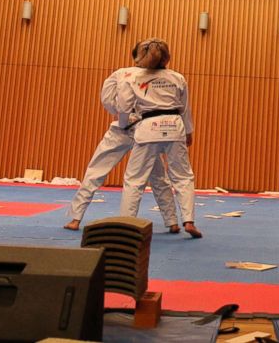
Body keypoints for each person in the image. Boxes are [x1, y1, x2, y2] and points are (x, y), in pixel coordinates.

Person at [64, 41, 187, 234]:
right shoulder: (149, 75)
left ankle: (75, 218)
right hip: (136, 130)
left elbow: (107, 100)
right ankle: (171, 222)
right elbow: (109, 100)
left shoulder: (126, 74)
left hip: (136, 131)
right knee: (156, 178)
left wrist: (125, 116)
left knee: (98, 171)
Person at [116, 38, 201, 238]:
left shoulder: (134, 78)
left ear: (140, 57)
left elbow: (124, 107)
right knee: (182, 176)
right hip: (174, 126)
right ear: (168, 58)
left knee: (134, 179)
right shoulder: (178, 78)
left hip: (148, 128)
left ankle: (127, 224)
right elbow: (185, 109)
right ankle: (188, 221)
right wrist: (188, 132)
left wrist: (123, 125)